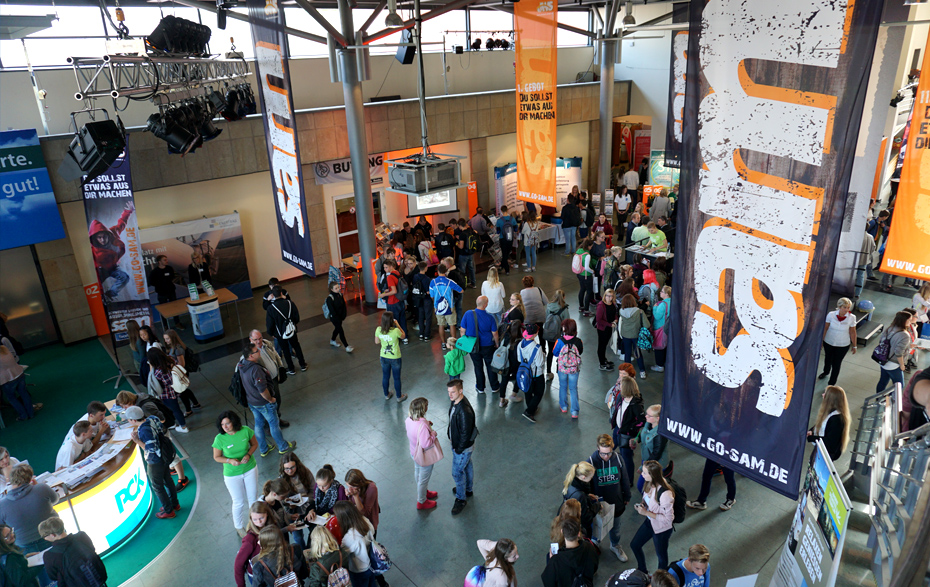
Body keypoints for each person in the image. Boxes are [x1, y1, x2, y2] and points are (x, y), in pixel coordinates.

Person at [239, 342, 296, 456]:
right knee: (273, 424)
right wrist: (270, 400)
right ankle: (283, 446)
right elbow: (262, 390)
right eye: (257, 351)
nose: (259, 351)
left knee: (258, 424)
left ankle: (264, 449)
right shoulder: (256, 369)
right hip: (263, 402)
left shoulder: (242, 365)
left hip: (252, 401)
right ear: (251, 356)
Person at [126, 405, 180, 519]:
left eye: (129, 420)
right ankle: (174, 504)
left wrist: (137, 440)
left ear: (134, 420)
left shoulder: (144, 431)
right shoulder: (152, 418)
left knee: (157, 486)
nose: (128, 422)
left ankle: (168, 510)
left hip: (155, 461)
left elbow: (151, 449)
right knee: (168, 480)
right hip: (165, 456)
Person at [212, 410, 259, 537]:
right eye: (222, 425)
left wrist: (248, 454)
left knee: (253, 498)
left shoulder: (246, 431)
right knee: (238, 501)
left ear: (234, 422)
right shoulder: (219, 439)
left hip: (249, 469)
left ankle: (254, 523)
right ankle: (239, 527)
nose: (225, 427)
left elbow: (254, 444)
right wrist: (229, 460)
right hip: (232, 474)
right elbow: (216, 457)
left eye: (227, 423)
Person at [587, 434, 632, 562]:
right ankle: (595, 544)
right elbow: (587, 485)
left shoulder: (618, 458)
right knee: (597, 527)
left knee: (615, 528)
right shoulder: (590, 462)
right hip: (598, 504)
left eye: (609, 453)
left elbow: (625, 478)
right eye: (603, 453)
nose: (606, 456)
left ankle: (615, 545)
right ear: (597, 448)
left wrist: (627, 495)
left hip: (616, 502)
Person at [0, 465, 57, 556]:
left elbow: (2, 528)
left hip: (25, 547)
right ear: (30, 479)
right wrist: (37, 487)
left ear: (10, 480)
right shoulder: (42, 488)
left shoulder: (2, 505)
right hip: (54, 535)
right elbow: (55, 500)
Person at [630, 461, 675, 573]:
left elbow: (668, 519)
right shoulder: (649, 483)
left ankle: (660, 578)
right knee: (635, 545)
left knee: (661, 557)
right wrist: (643, 504)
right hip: (650, 522)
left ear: (652, 475)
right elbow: (647, 499)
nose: (642, 474)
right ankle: (642, 570)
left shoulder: (665, 494)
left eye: (644, 473)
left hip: (662, 529)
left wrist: (646, 513)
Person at [38, 516, 107, 587]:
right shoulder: (82, 536)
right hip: (99, 579)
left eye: (44, 536)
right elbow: (92, 550)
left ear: (53, 535)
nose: (44, 538)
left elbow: (53, 576)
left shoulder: (49, 555)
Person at [89, 201, 134, 302]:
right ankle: (103, 298)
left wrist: (128, 211)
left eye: (104, 237)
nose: (102, 240)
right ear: (95, 238)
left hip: (113, 267)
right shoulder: (93, 250)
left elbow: (121, 223)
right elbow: (96, 273)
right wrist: (101, 293)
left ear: (107, 235)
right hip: (101, 270)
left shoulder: (113, 233)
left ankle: (110, 294)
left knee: (125, 277)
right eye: (99, 238)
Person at [541, 518, 599, 587]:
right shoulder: (590, 548)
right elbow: (595, 567)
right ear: (579, 533)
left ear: (562, 532)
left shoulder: (555, 562)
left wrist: (551, 560)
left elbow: (548, 582)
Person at [448, 379, 477, 515]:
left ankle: (461, 499)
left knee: (457, 472)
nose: (450, 395)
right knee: (467, 465)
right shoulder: (455, 402)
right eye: (449, 392)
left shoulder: (464, 411)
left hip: (462, 448)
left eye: (453, 392)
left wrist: (458, 449)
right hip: (460, 446)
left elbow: (465, 434)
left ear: (461, 391)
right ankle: (467, 490)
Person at [460, 296, 501, 395]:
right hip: (488, 346)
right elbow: (495, 333)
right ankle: (494, 386)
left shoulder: (468, 314)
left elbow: (462, 330)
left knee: (478, 366)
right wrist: (497, 344)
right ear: (485, 305)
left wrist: (465, 343)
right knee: (490, 366)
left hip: (473, 346)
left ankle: (480, 387)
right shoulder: (490, 317)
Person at [405, 397, 440, 510]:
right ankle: (422, 501)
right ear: (422, 409)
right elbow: (426, 443)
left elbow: (416, 430)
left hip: (414, 452)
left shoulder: (408, 420)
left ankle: (423, 491)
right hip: (424, 456)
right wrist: (433, 434)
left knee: (418, 471)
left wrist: (426, 423)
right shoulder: (423, 425)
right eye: (426, 405)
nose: (427, 407)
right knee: (423, 479)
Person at [333, 501, 378, 587]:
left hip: (358, 570)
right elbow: (372, 532)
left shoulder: (349, 537)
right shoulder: (365, 520)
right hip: (371, 564)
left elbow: (343, 554)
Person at [609, 377, 646, 483]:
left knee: (626, 458)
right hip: (618, 429)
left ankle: (629, 481)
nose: (619, 386)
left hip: (626, 434)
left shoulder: (636, 405)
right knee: (612, 445)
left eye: (621, 384)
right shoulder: (621, 397)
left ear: (626, 388)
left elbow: (642, 421)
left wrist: (630, 428)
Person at [265, 286, 308, 374]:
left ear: (273, 295)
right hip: (291, 330)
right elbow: (297, 317)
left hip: (280, 333)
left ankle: (291, 368)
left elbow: (269, 323)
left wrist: (271, 333)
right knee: (296, 346)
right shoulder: (290, 303)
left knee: (285, 349)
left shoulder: (271, 308)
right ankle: (302, 364)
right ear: (281, 293)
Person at [807, 385, 851, 462]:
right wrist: (812, 430)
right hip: (821, 450)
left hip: (826, 455)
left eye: (825, 394)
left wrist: (812, 438)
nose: (822, 395)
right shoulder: (831, 412)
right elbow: (822, 424)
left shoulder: (837, 419)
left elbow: (830, 443)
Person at [819, 298, 858, 386]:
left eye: (848, 308)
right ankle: (826, 372)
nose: (846, 310)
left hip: (843, 344)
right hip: (829, 342)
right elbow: (825, 328)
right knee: (828, 358)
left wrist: (854, 345)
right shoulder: (831, 315)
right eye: (844, 307)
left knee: (836, 363)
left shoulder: (852, 317)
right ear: (839, 307)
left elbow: (853, 332)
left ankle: (831, 383)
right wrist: (821, 341)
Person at [163, 329, 201, 415]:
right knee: (184, 390)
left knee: (181, 392)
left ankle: (188, 410)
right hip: (179, 372)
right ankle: (195, 404)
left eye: (167, 338)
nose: (166, 341)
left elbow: (181, 364)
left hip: (180, 373)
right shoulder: (174, 348)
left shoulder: (177, 349)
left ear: (173, 338)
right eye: (165, 339)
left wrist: (172, 365)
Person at [633, 405, 670, 492]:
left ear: (658, 418)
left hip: (655, 464)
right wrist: (637, 439)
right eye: (646, 414)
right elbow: (644, 434)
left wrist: (643, 467)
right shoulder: (649, 423)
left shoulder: (660, 435)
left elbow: (656, 454)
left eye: (649, 416)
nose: (646, 416)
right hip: (647, 459)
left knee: (642, 486)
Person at [875, 311, 912, 393]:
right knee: (899, 386)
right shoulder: (905, 334)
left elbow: (881, 341)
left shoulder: (890, 328)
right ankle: (892, 400)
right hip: (894, 364)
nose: (911, 322)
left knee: (883, 381)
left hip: (883, 360)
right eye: (909, 320)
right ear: (904, 320)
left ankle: (879, 399)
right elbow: (898, 352)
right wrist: (902, 365)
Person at [553, 319, 584, 417]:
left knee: (563, 386)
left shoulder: (559, 341)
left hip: (562, 368)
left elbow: (555, 353)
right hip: (574, 369)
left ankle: (564, 406)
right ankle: (574, 411)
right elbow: (580, 352)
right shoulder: (578, 341)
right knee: (573, 388)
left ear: (564, 328)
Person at [516, 324, 546, 423]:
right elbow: (539, 364)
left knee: (528, 391)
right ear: (535, 334)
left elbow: (519, 359)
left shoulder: (520, 344)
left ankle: (531, 407)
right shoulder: (537, 347)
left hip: (525, 373)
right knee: (539, 393)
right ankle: (529, 412)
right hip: (537, 375)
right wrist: (543, 356)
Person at [430, 263, 464, 349]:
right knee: (452, 324)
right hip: (450, 306)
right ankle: (453, 342)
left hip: (438, 307)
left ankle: (443, 343)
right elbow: (461, 290)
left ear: (438, 271)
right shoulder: (449, 282)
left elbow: (431, 295)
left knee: (441, 325)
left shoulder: (433, 282)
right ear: (445, 271)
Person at [375, 311, 407, 402]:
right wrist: (398, 325)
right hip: (395, 357)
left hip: (383, 356)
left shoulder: (378, 330)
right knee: (396, 378)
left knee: (385, 376)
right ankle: (399, 396)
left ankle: (387, 394)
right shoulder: (395, 331)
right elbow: (403, 336)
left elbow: (377, 342)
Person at [561, 462, 599, 538]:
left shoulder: (571, 483)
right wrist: (597, 506)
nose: (591, 479)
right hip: (580, 529)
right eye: (591, 477)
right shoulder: (580, 496)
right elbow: (586, 518)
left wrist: (587, 496)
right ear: (584, 477)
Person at [149, 254, 184, 329]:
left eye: (166, 259)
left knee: (175, 307)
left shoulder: (169, 268)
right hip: (161, 293)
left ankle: (177, 323)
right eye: (164, 260)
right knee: (163, 309)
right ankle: (165, 325)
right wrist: (160, 284)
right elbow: (151, 282)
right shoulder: (154, 272)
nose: (166, 261)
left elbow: (172, 277)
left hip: (171, 291)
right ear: (159, 262)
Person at [0, 345, 35, 422]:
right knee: (24, 394)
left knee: (12, 398)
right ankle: (31, 413)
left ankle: (23, 416)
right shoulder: (4, 348)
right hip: (19, 374)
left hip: (8, 380)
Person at [618, 294, 649, 378]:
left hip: (625, 334)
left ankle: (626, 373)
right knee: (637, 353)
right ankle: (642, 371)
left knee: (627, 353)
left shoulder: (621, 311)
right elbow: (647, 325)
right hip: (636, 335)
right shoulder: (639, 311)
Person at [344, 469, 380, 535]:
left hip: (369, 523)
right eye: (348, 486)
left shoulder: (371, 488)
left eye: (352, 487)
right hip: (358, 521)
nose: (350, 489)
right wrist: (349, 497)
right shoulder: (354, 489)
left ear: (360, 483)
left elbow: (365, 513)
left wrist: (355, 496)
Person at [325, 281, 354, 352]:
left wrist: (343, 315)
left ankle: (332, 340)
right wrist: (337, 318)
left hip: (340, 317)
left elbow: (343, 305)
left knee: (337, 329)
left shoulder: (340, 295)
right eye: (336, 288)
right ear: (331, 289)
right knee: (340, 330)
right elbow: (332, 311)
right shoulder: (329, 299)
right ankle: (346, 346)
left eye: (338, 287)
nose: (338, 289)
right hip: (334, 318)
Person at [595, 289, 619, 371]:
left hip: (609, 328)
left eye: (611, 296)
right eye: (608, 296)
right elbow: (598, 320)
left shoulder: (613, 304)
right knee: (601, 346)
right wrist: (609, 324)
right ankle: (602, 364)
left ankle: (604, 359)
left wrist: (616, 320)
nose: (609, 298)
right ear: (604, 296)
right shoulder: (601, 305)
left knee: (605, 345)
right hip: (602, 329)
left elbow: (615, 314)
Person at [410, 261, 434, 341]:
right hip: (426, 299)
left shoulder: (415, 276)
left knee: (420, 316)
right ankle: (427, 335)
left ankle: (421, 333)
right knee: (428, 317)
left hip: (418, 299)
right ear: (426, 268)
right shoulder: (427, 279)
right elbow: (428, 291)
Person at [650, 286, 671, 372]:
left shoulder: (662, 304)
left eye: (662, 291)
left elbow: (657, 316)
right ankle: (665, 363)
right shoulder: (672, 302)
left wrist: (655, 307)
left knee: (658, 346)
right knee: (665, 346)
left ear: (667, 294)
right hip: (668, 327)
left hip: (659, 328)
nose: (660, 292)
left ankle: (659, 366)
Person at [575, 238, 596, 317]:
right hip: (586, 275)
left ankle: (581, 306)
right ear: (588, 246)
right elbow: (587, 267)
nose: (591, 248)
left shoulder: (578, 251)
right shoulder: (587, 255)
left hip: (579, 274)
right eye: (591, 246)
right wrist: (592, 271)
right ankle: (586, 310)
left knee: (582, 289)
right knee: (589, 292)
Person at [854, 229, 876, 299]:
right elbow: (873, 248)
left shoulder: (856, 236)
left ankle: (849, 290)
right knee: (860, 276)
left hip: (854, 258)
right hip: (864, 259)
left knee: (851, 275)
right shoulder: (870, 237)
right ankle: (857, 293)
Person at [457, 219, 480, 288]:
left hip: (463, 254)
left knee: (462, 270)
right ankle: (473, 283)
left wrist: (457, 243)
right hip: (471, 253)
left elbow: (461, 246)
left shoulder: (462, 234)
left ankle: (463, 284)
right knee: (471, 269)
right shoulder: (471, 231)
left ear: (460, 225)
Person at [496, 206, 518, 275]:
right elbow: (516, 229)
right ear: (507, 210)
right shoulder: (512, 219)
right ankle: (502, 266)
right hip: (510, 239)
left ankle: (507, 270)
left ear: (501, 211)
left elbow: (498, 232)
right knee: (507, 253)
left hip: (503, 239)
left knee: (504, 254)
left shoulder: (499, 220)